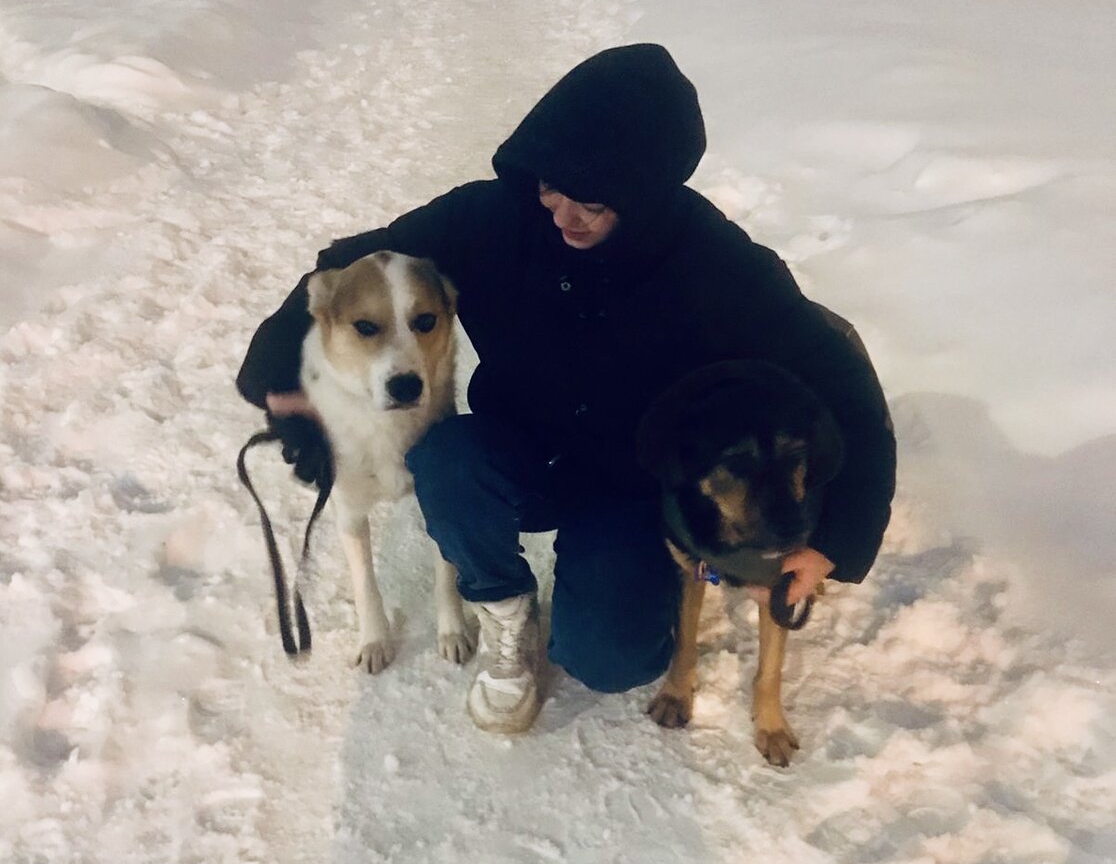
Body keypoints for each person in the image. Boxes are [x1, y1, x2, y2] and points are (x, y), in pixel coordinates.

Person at [236, 44, 896, 734]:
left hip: (625, 482)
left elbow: (839, 379)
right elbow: (342, 269)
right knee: (448, 462)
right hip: (515, 442)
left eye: (593, 204)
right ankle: (505, 612)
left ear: (644, 199)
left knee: (611, 661)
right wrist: (282, 387)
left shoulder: (712, 260)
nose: (564, 215)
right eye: (553, 188)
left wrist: (837, 538)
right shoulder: (493, 218)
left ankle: (604, 601)